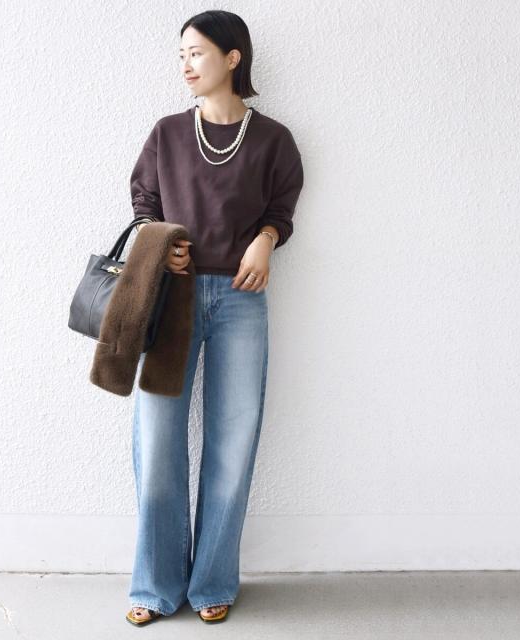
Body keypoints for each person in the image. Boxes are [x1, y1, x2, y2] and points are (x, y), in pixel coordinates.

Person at [125, 9, 304, 626]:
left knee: (233, 441)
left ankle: (212, 582)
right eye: (181, 54)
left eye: (196, 52)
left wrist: (267, 239)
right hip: (169, 299)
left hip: (240, 298)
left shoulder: (274, 139)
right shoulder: (167, 134)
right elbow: (144, 204)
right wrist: (160, 242)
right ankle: (155, 585)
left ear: (233, 57)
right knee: (157, 441)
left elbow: (282, 206)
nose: (185, 64)